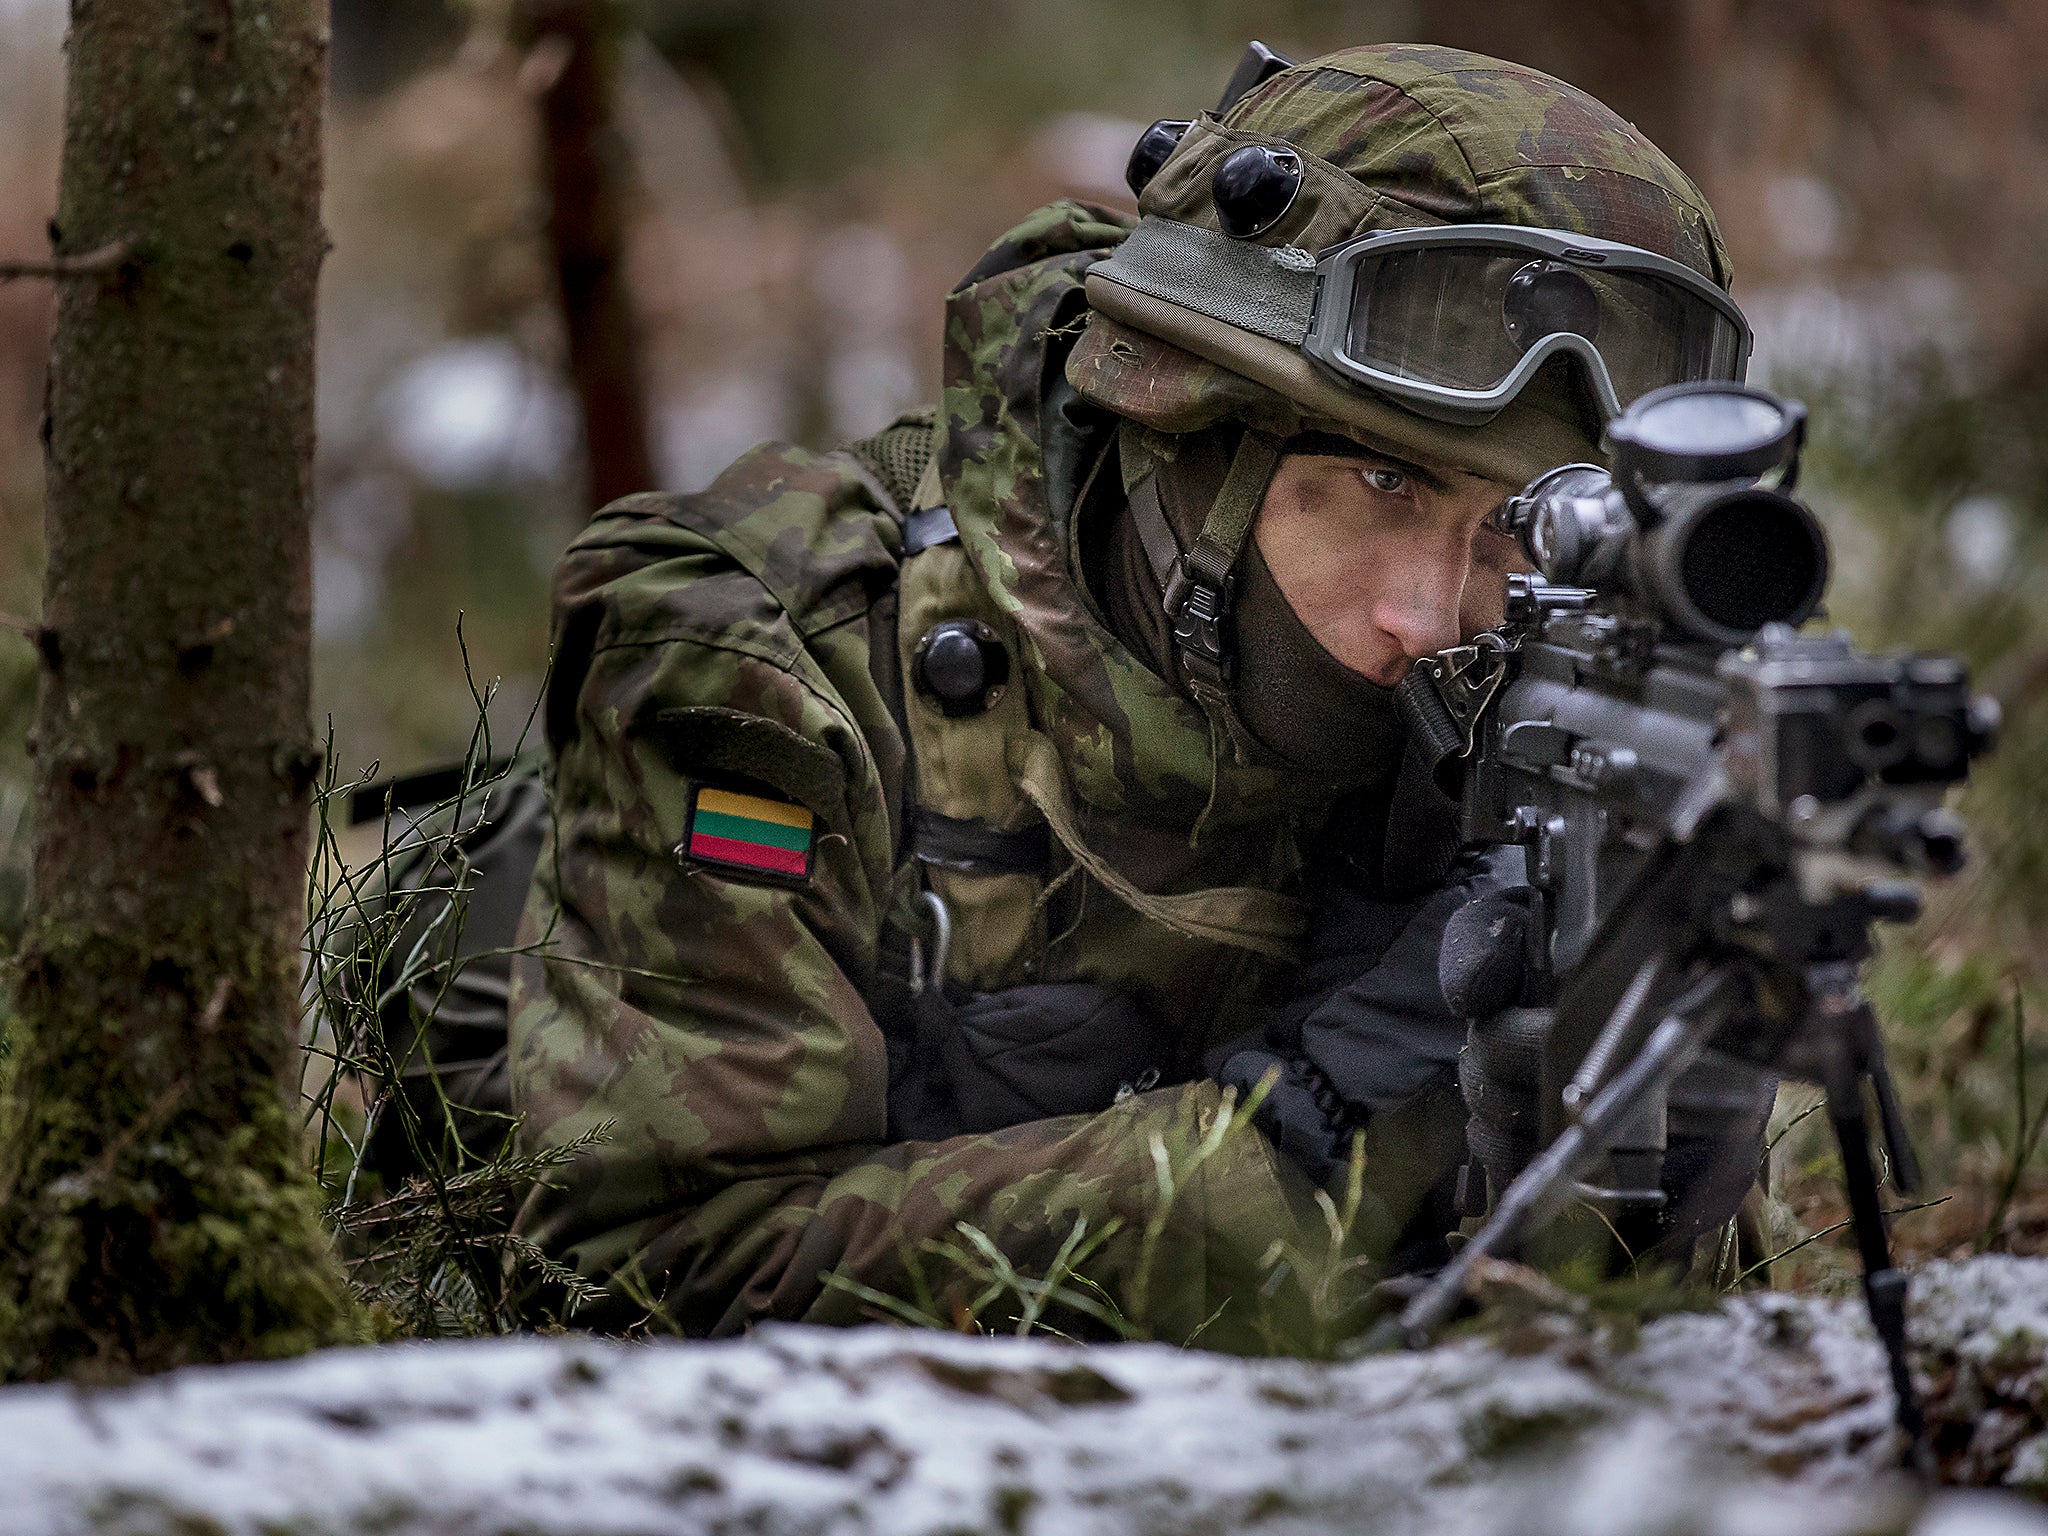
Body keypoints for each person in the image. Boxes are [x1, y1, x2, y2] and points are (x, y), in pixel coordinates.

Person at [503, 41, 1768, 1345]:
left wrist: (1631, 1130)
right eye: (1386, 489)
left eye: (1513, 532)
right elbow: (655, 1272)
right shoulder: (781, 658)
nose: (1424, 617)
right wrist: (1310, 1137)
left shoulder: (1545, 714)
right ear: (1191, 423)